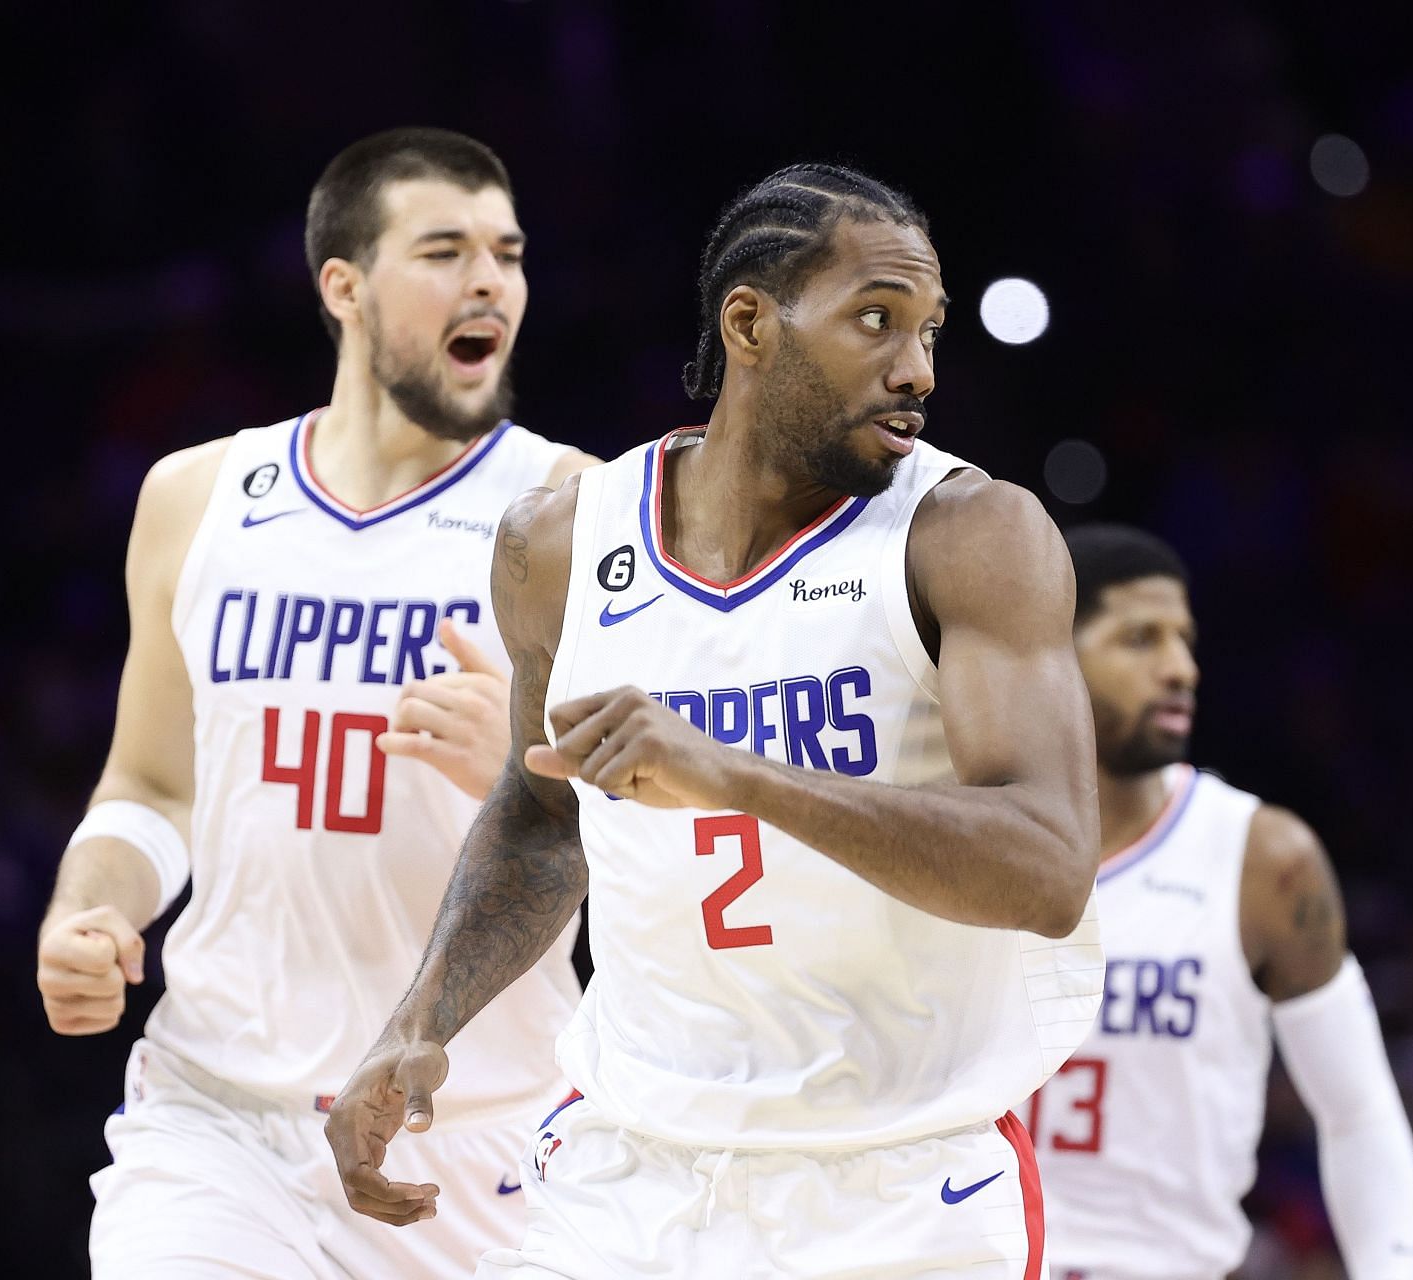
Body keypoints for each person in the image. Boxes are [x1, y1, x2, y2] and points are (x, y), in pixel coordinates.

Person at [323, 161, 1106, 1279]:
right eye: (876, 321)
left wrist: (740, 775)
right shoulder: (557, 547)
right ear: (751, 322)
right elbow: (544, 811)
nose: (917, 369)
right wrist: (423, 1015)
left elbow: (1046, 864)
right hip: (631, 1173)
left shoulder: (970, 535)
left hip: (901, 1184)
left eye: (929, 330)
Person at [35, 127, 598, 1279]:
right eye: (445, 249)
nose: (490, 279)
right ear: (342, 285)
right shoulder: (195, 498)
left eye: (509, 251)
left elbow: (674, 836)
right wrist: (93, 908)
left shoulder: (576, 510)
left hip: (474, 1134)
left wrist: (534, 765)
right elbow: (150, 786)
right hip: (218, 1119)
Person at [1023, 524, 1413, 1280]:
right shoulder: (961, 838)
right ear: (1050, 652)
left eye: (1185, 639)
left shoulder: (1264, 860)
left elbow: (1358, 1113)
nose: (1180, 668)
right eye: (1140, 639)